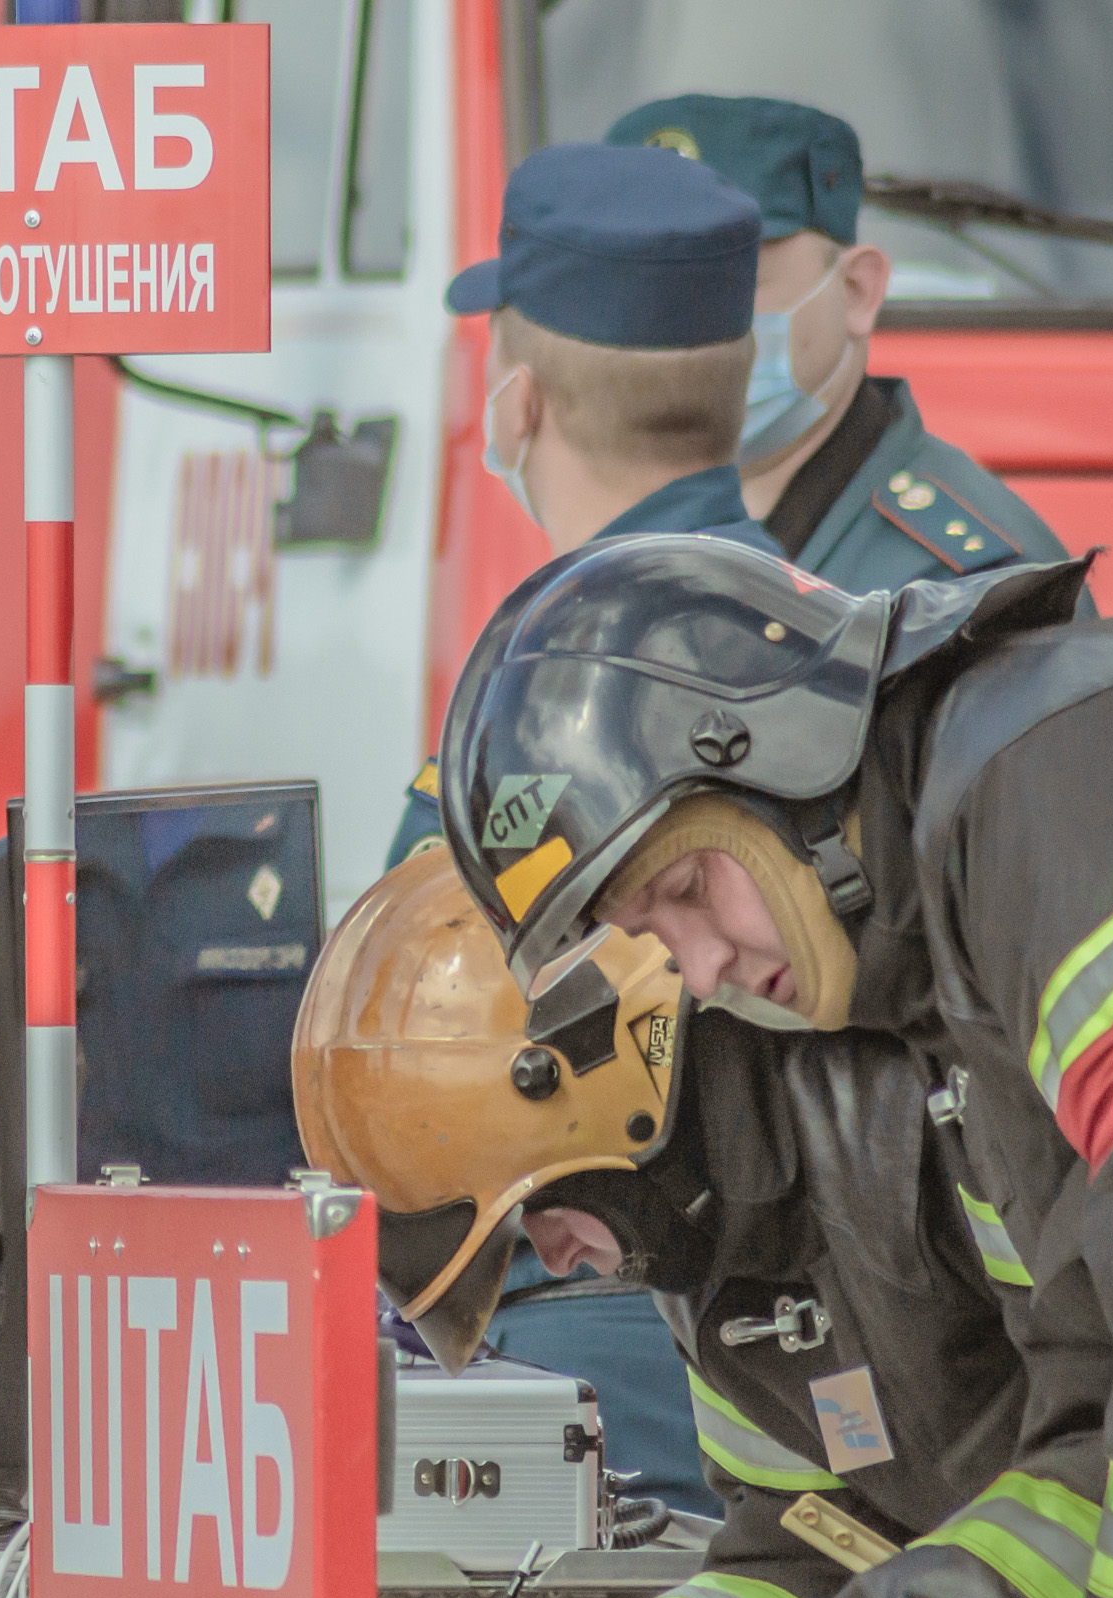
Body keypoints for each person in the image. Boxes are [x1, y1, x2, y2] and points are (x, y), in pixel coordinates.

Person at [438, 532, 1113, 1598]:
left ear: (778, 748)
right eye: (651, 933)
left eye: (691, 884)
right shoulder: (949, 947)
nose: (702, 975)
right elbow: (1105, 1448)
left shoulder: (1053, 779)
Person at [297, 850, 1056, 1598]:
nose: (552, 1261)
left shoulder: (957, 1126)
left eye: (538, 1215)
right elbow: (797, 1535)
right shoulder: (705, 1251)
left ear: (600, 1086)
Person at [377, 137, 782, 1518]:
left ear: (518, 401)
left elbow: (413, 1110)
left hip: (577, 1387)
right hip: (814, 1408)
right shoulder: (830, 653)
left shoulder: (537, 707)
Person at [606, 94, 1074, 589]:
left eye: (728, 281)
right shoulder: (615, 534)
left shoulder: (974, 587)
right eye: (647, 287)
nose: (678, 325)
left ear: (856, 292)